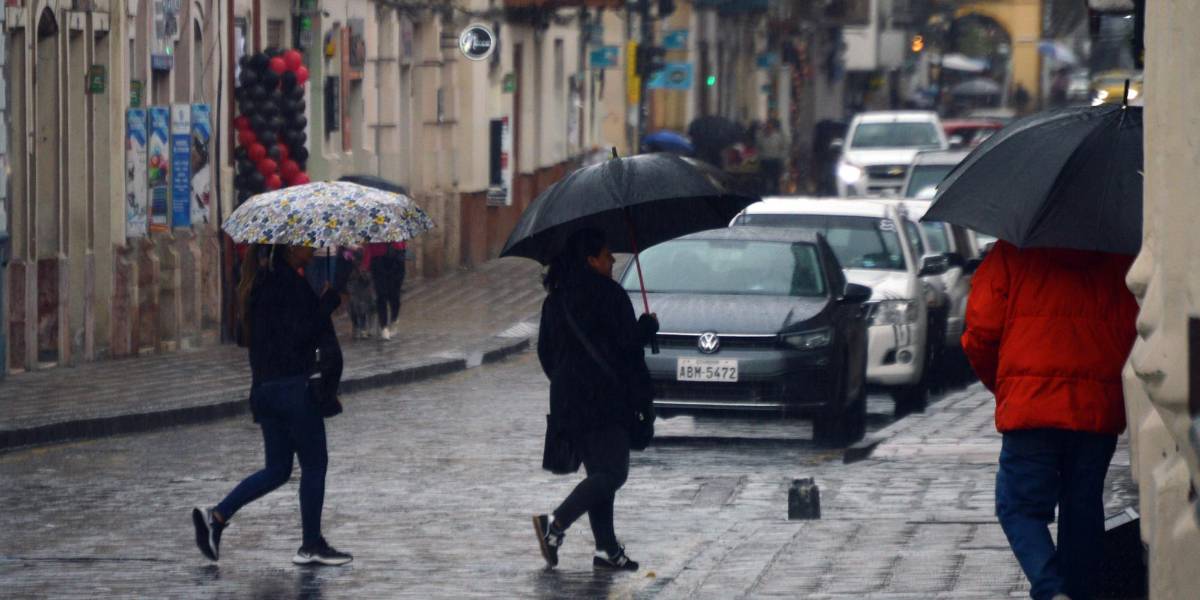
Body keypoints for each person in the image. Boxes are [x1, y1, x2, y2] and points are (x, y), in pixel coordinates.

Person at [962, 240, 1138, 600]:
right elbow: (1136, 328)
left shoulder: (1012, 253)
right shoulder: (1118, 256)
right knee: (1083, 508)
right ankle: (1079, 592)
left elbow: (980, 331)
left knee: (1019, 506)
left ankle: (1051, 589)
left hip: (1032, 409)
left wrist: (1008, 386)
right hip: (1095, 408)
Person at [191, 243, 353, 567]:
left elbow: (251, 337)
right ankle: (311, 545)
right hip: (292, 390)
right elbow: (300, 336)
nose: (314, 246)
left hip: (265, 390)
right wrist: (327, 304)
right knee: (315, 464)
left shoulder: (259, 283)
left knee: (278, 469)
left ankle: (217, 516)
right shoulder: (288, 284)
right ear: (291, 248)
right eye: (307, 241)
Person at [532, 229, 658, 571]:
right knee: (613, 474)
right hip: (605, 400)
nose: (613, 260)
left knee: (600, 475)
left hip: (568, 401)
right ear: (590, 260)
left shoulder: (554, 300)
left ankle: (607, 549)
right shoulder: (609, 295)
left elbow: (545, 352)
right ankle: (555, 525)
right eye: (606, 255)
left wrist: (564, 380)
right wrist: (646, 329)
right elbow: (627, 349)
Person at [366, 241, 407, 340]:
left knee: (394, 294)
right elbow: (369, 247)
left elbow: (403, 245)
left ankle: (394, 320)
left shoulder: (396, 228)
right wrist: (366, 265)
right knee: (381, 295)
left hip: (395, 261)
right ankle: (383, 327)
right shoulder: (373, 229)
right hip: (378, 262)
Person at [757, 119, 787, 196]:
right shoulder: (761, 137)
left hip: (775, 161)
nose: (768, 129)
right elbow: (758, 148)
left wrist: (781, 158)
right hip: (765, 161)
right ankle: (764, 194)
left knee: (775, 179)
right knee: (764, 179)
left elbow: (782, 148)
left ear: (773, 128)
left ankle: (775, 194)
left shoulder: (777, 137)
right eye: (766, 127)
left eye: (770, 127)